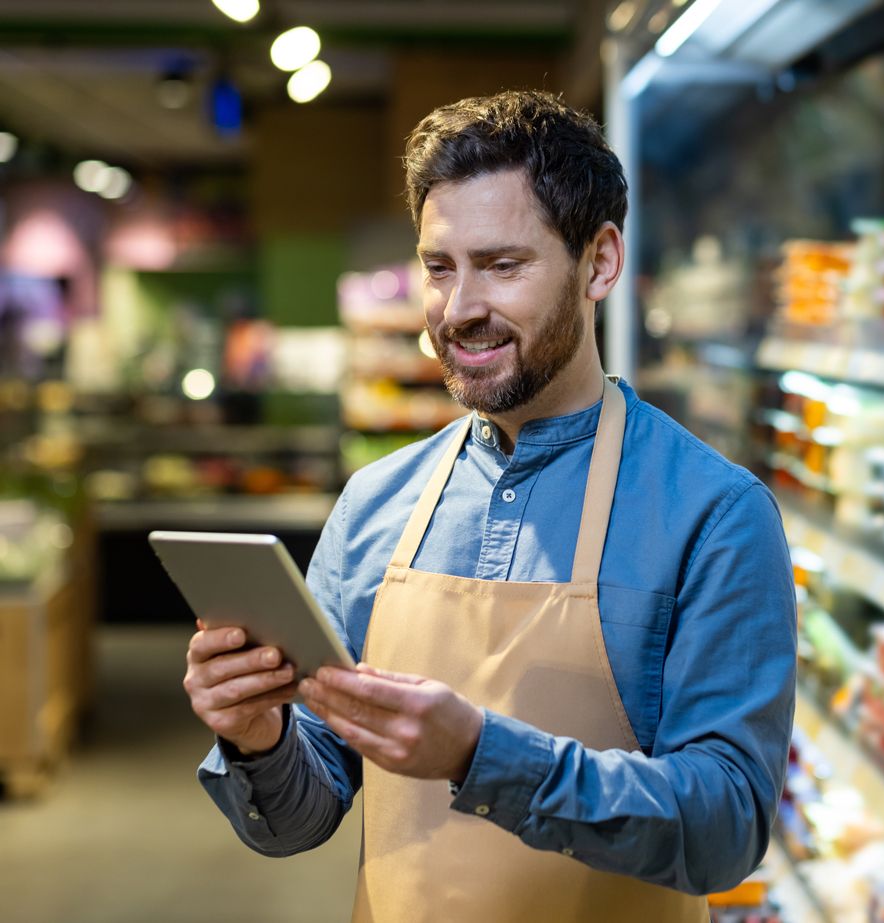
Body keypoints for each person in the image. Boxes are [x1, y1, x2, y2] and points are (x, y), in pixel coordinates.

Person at [184, 90, 797, 922]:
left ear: (600, 262)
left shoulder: (713, 515)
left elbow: (726, 825)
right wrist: (256, 735)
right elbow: (305, 814)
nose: (459, 308)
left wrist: (482, 753)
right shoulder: (375, 503)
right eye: (441, 267)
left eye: (502, 265)